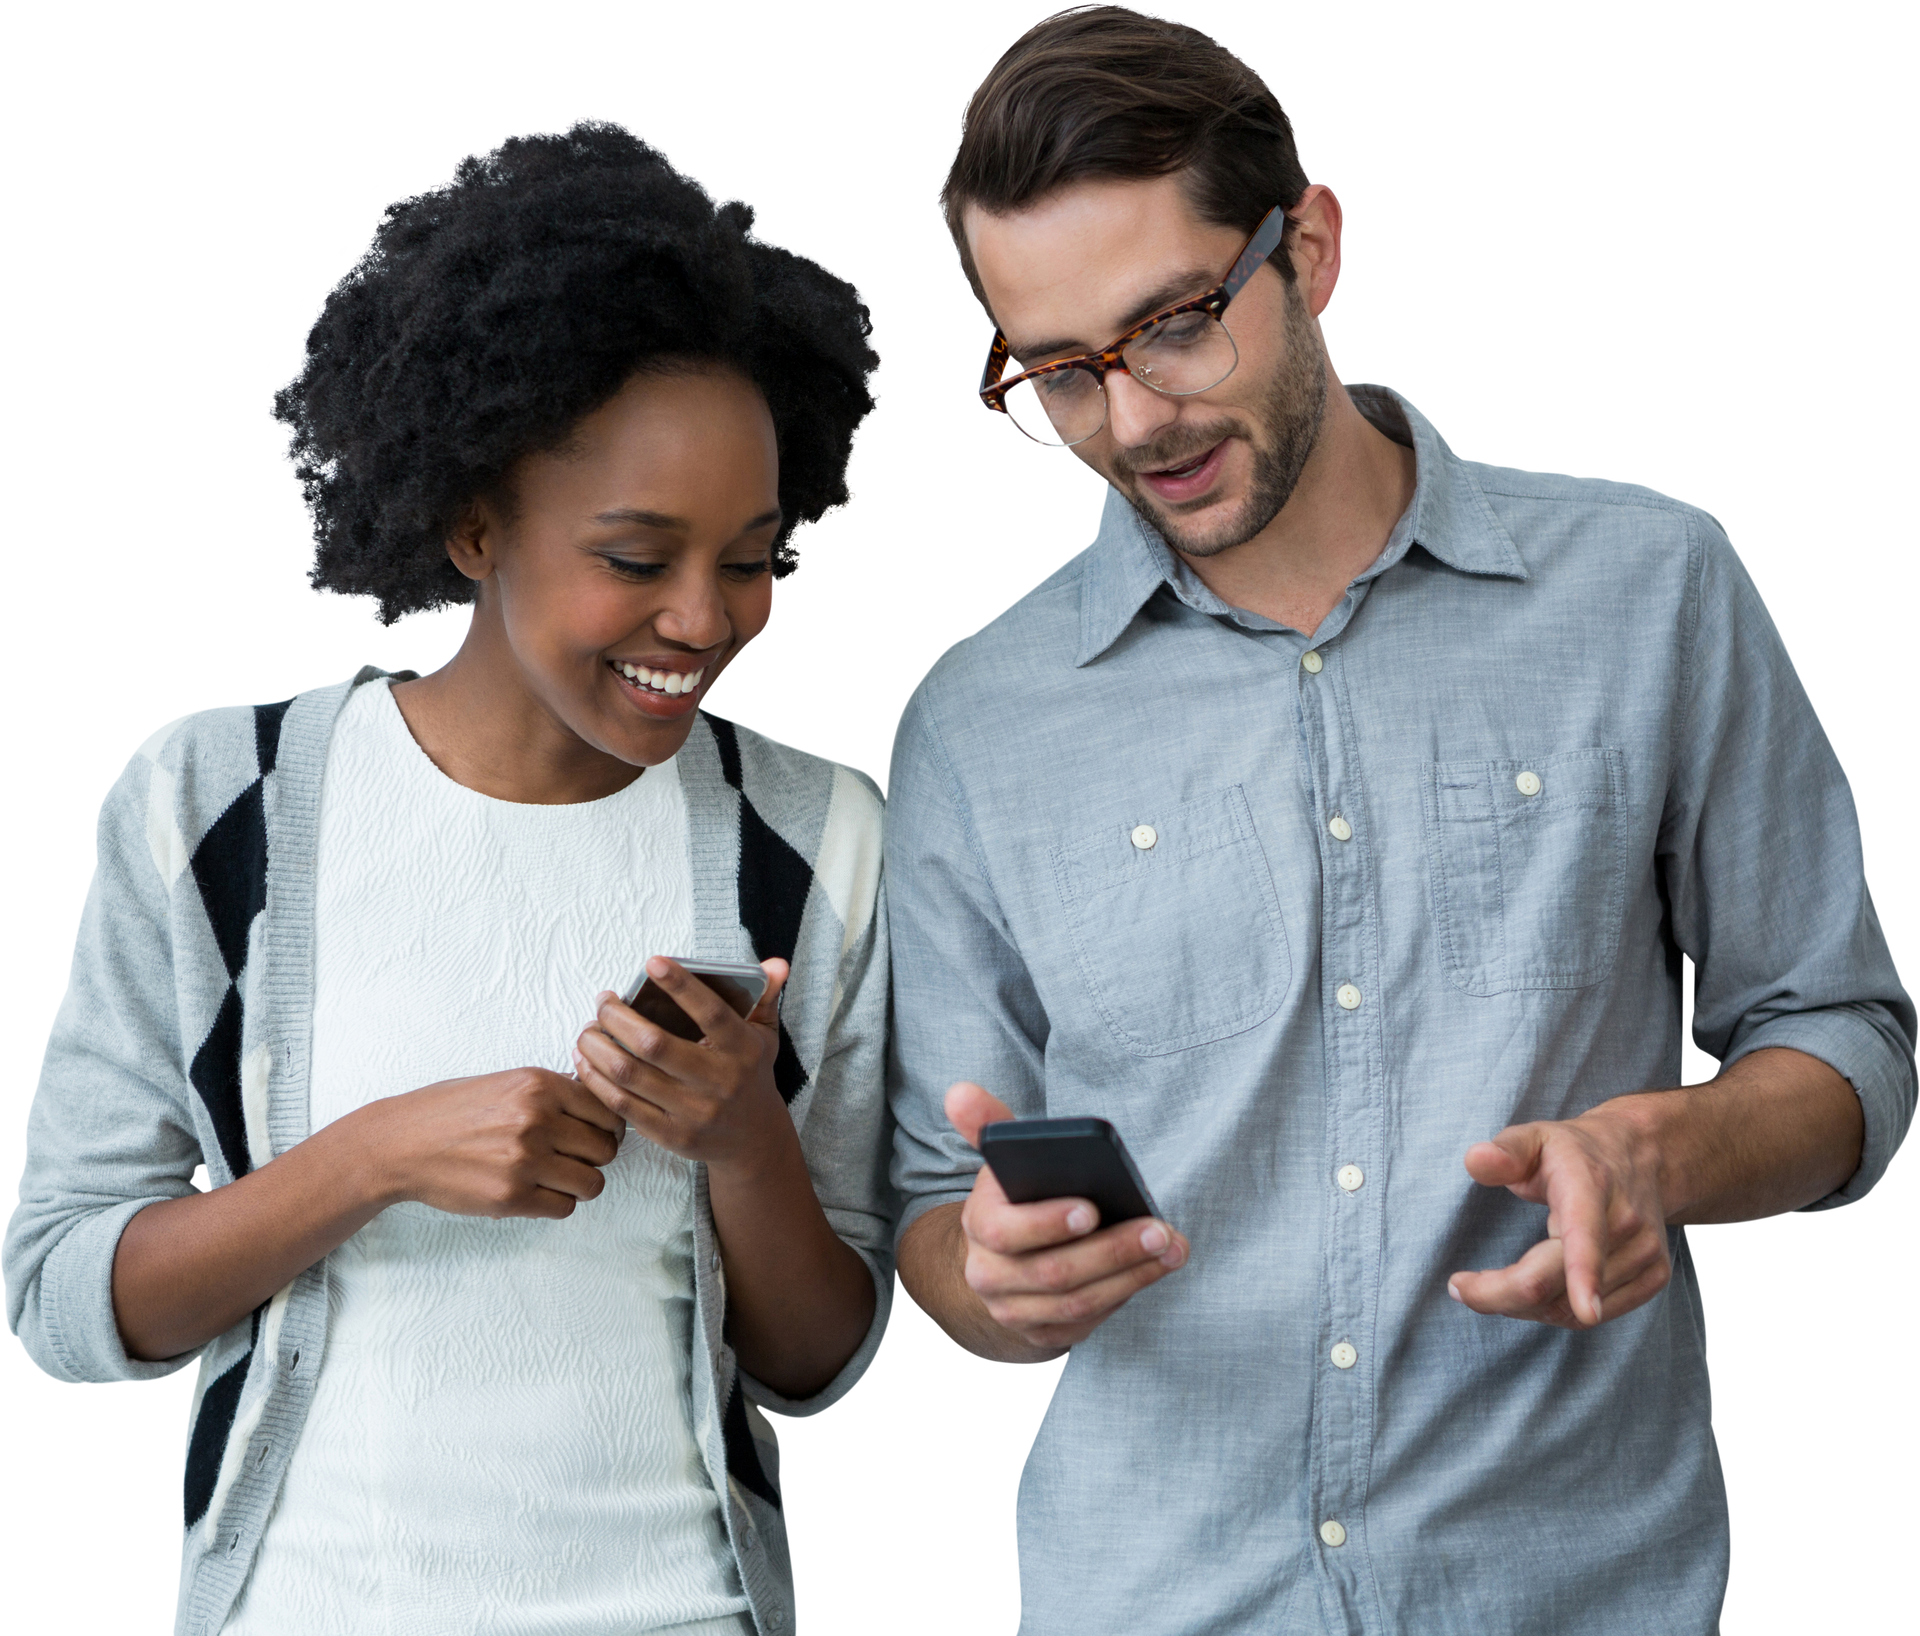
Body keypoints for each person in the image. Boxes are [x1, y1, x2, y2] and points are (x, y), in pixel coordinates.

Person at [885, 9, 1916, 1633]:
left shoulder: (1653, 588)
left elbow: (1846, 1041)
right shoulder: (972, 718)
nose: (1136, 422)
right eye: (1062, 376)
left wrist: (1660, 1151)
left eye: (1173, 327)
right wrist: (996, 1290)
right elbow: (933, 1215)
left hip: (1575, 1597)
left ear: (1311, 245)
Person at [3, 116, 893, 1636]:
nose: (704, 616)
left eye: (751, 555)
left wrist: (743, 1143)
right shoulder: (214, 800)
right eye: (634, 555)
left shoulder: (818, 835)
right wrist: (372, 1160)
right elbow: (68, 1302)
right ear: (474, 522)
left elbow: (823, 1365)